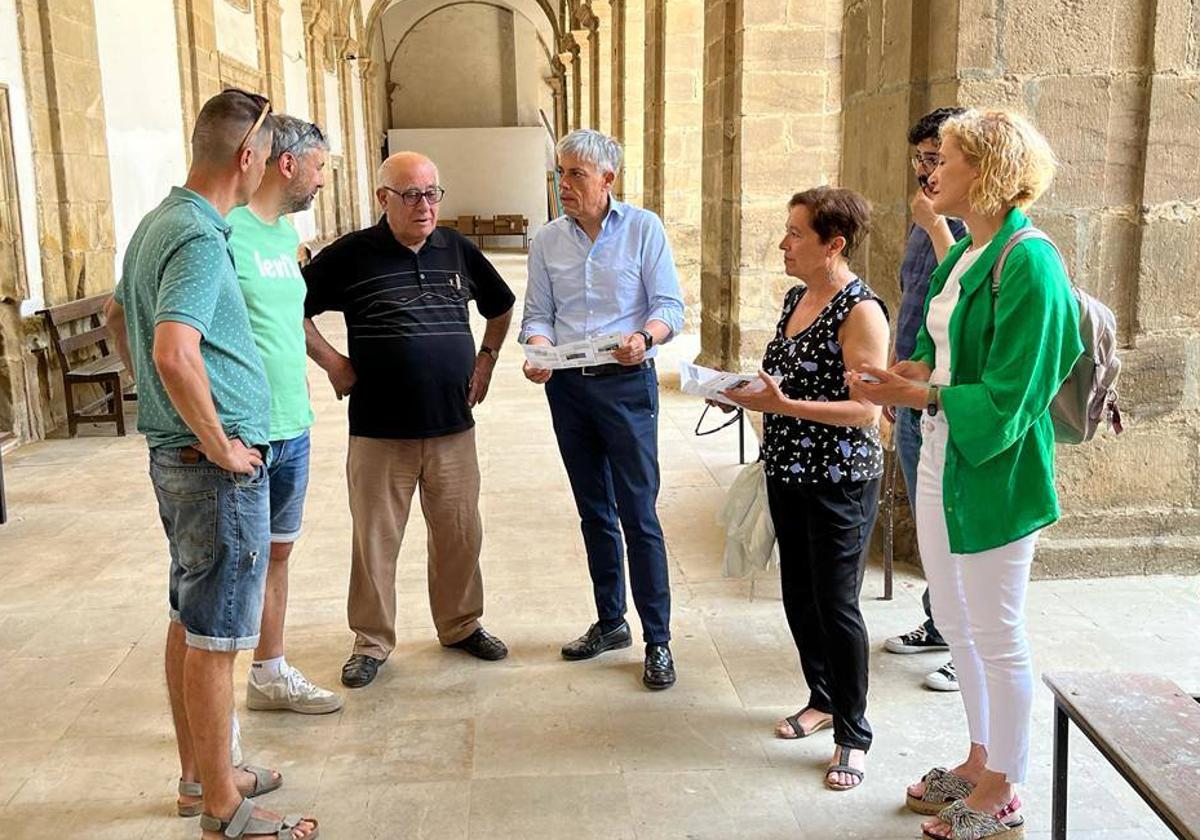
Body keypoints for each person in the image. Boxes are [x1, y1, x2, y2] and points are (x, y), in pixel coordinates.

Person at [849, 109, 1081, 838]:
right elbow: (944, 350)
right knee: (955, 621)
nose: (930, 170)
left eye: (943, 158)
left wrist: (918, 394)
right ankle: (982, 758)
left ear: (987, 169)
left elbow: (1015, 396)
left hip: (996, 468)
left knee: (998, 630)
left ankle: (1005, 790)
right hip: (944, 454)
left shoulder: (1031, 261)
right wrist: (912, 371)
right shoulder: (964, 253)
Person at [104, 89, 318, 839]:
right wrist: (220, 439)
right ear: (250, 157)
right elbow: (172, 348)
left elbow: (115, 317)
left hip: (180, 456)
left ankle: (204, 776)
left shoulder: (158, 220)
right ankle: (225, 809)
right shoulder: (197, 235)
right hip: (212, 468)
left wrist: (163, 413)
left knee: (190, 619)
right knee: (218, 635)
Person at [303, 151, 515, 689]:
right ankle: (371, 641)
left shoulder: (458, 250)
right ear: (383, 199)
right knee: (376, 540)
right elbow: (288, 308)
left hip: (452, 427)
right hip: (379, 430)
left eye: (432, 194)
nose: (425, 206)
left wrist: (486, 360)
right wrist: (334, 363)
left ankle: (461, 625)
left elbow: (500, 305)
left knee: (460, 534)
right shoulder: (351, 254)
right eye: (412, 195)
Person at [719, 186, 888, 791]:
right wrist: (741, 391)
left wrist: (782, 402)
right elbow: (783, 377)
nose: (783, 244)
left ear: (833, 244)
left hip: (840, 477)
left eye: (796, 234)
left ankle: (853, 733)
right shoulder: (798, 297)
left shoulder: (860, 310)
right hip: (788, 467)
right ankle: (821, 697)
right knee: (799, 595)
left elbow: (867, 412)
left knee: (837, 604)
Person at [521, 129, 685, 691]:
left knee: (640, 513)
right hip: (568, 390)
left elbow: (669, 306)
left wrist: (646, 336)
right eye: (559, 174)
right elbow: (537, 313)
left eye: (574, 175)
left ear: (607, 179)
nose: (563, 185)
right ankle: (611, 621)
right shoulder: (546, 240)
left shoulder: (643, 229)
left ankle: (658, 639)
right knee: (594, 508)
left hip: (626, 386)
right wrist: (538, 349)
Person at [227, 114, 342, 715]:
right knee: (231, 570)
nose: (323, 180)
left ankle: (268, 672)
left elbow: (290, 322)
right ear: (287, 164)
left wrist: (331, 364)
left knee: (277, 553)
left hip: (293, 425)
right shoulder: (224, 232)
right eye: (320, 167)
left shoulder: (280, 240)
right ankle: (217, 724)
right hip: (241, 435)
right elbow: (136, 317)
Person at [882, 107, 967, 693]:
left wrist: (938, 227)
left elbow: (960, 290)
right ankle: (941, 624)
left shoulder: (967, 224)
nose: (927, 172)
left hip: (952, 400)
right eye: (921, 159)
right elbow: (915, 300)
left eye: (939, 160)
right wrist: (896, 373)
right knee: (931, 520)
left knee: (958, 526)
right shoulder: (925, 216)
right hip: (916, 389)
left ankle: (969, 646)